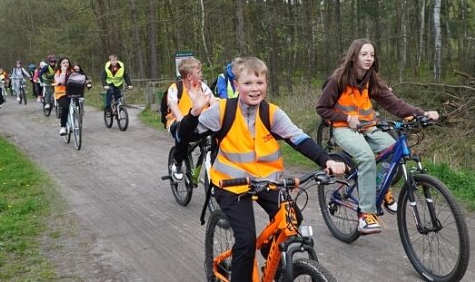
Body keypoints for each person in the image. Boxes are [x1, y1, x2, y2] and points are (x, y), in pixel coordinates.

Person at [175, 56, 346, 282]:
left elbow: (299, 139)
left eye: (260, 83)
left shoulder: (271, 113)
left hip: (267, 182)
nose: (254, 89)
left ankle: (271, 258)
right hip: (231, 185)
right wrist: (194, 113)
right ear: (236, 85)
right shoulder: (223, 111)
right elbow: (182, 136)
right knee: (245, 240)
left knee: (293, 218)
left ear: (266, 84)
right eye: (248, 83)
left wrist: (327, 160)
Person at [316, 38, 439, 235]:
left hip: (368, 127)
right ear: (354, 56)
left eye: (372, 55)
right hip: (343, 128)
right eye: (364, 54)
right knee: (365, 157)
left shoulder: (371, 78)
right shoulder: (337, 80)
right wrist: (346, 118)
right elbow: (322, 108)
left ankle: (377, 189)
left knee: (392, 150)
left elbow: (394, 103)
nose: (369, 58)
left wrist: (421, 113)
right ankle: (366, 215)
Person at [166, 56, 218, 180]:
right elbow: (173, 105)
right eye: (199, 72)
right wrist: (181, 119)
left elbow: (213, 101)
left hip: (201, 123)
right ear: (190, 76)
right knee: (183, 133)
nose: (201, 74)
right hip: (179, 123)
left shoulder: (203, 86)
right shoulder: (175, 88)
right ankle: (177, 162)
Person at [53, 57, 76, 136]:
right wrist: (63, 71)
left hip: (72, 93)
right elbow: (61, 81)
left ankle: (76, 121)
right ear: (60, 64)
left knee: (78, 104)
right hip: (61, 94)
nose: (66, 64)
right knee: (65, 107)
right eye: (64, 63)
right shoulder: (58, 73)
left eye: (67, 62)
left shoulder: (72, 71)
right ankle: (63, 126)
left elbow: (78, 78)